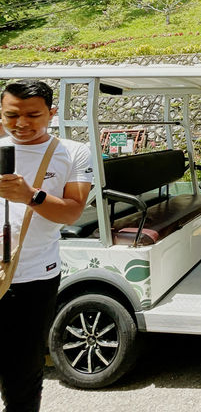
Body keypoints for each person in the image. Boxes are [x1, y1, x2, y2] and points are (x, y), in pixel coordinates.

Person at [0, 80, 93, 412]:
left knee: (22, 374)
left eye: (33, 115)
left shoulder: (73, 152)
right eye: (12, 115)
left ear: (52, 113)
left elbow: (72, 211)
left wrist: (31, 196)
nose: (22, 124)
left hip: (34, 279)